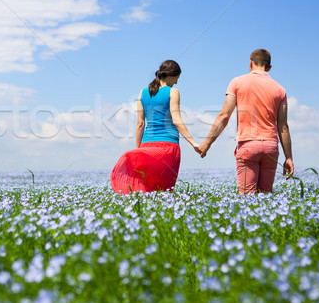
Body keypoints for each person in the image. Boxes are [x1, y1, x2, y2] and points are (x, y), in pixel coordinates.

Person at [197, 49, 294, 194]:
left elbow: (224, 115)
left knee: (247, 199)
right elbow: (283, 127)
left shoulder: (237, 82)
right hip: (271, 146)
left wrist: (207, 143)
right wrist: (289, 157)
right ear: (269, 67)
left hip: (248, 145)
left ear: (250, 63)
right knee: (266, 197)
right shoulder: (280, 89)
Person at [111, 60, 199, 193]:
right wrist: (194, 143)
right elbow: (176, 121)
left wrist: (138, 151)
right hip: (168, 148)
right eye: (177, 78)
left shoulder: (142, 93)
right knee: (164, 191)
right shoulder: (173, 92)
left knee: (146, 190)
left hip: (146, 146)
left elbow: (140, 124)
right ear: (171, 76)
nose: (176, 82)